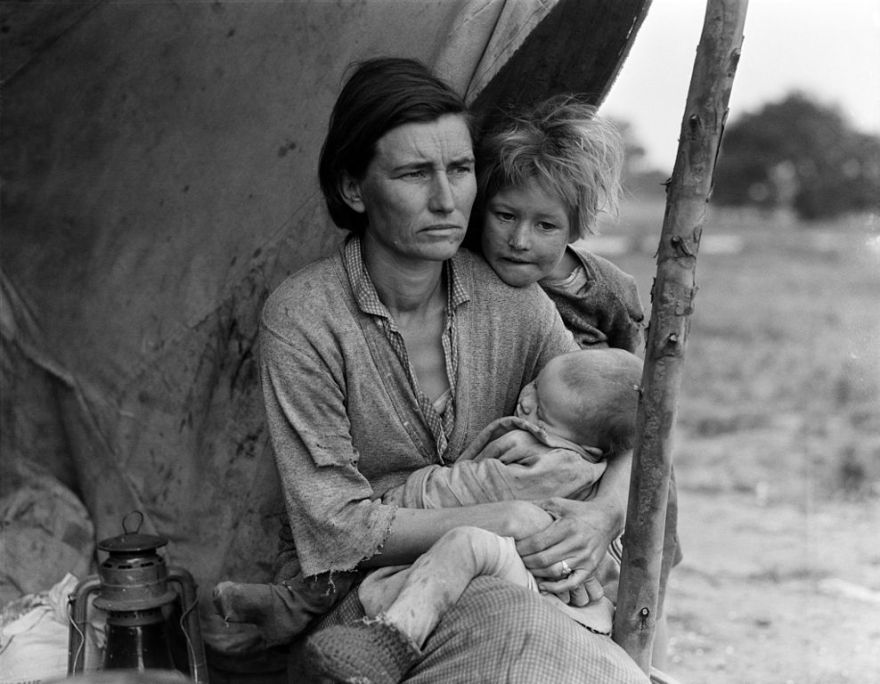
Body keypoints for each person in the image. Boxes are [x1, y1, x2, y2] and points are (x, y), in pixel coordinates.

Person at [252, 56, 648, 683]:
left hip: (519, 578)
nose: (445, 200)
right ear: (355, 188)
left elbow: (621, 424)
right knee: (519, 631)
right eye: (414, 173)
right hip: (378, 600)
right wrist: (504, 518)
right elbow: (335, 526)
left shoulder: (514, 301)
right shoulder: (305, 319)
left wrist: (604, 516)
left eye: (460, 170)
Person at [468, 93, 681, 668]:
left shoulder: (607, 292)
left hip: (608, 461)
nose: (519, 240)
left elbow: (642, 412)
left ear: (576, 227)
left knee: (640, 583)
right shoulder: (467, 275)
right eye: (505, 216)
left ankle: (649, 668)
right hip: (537, 457)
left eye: (545, 225)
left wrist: (610, 506)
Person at [304, 348, 644, 684]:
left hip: (544, 583)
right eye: (536, 385)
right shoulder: (584, 441)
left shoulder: (550, 464)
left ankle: (391, 640)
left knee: (466, 545)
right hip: (576, 592)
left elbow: (464, 491)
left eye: (542, 414)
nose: (526, 401)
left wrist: (404, 496)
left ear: (593, 447)